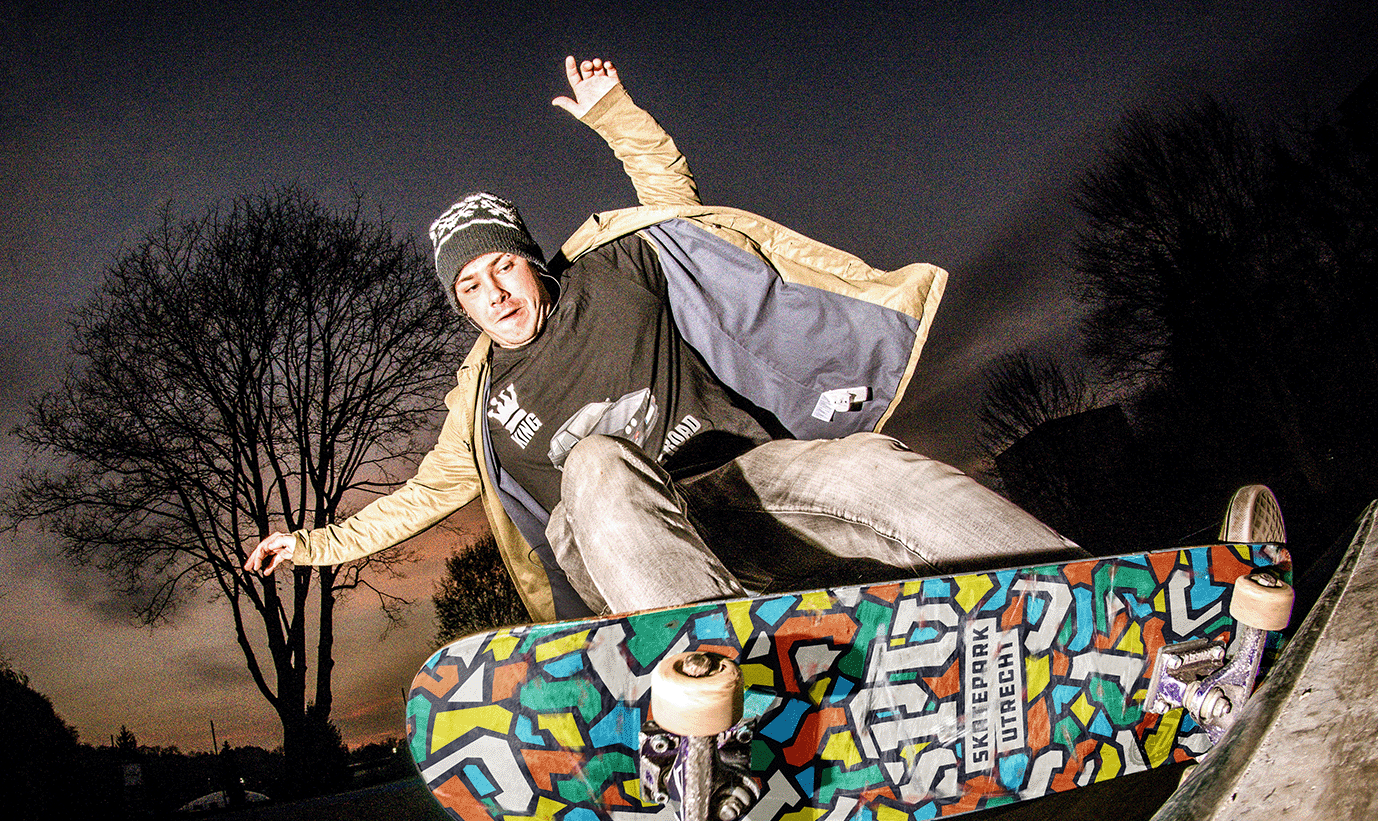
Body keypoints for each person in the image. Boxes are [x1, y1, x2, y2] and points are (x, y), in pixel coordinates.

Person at [245, 57, 1078, 621]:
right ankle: (711, 713)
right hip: (618, 545)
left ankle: (1096, 601)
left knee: (868, 461)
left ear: (532, 264)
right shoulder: (480, 403)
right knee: (597, 462)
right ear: (460, 305)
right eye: (469, 286)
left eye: (501, 269)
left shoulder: (616, 271)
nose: (492, 293)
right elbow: (422, 499)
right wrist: (312, 544)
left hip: (737, 489)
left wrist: (617, 118)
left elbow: (670, 199)